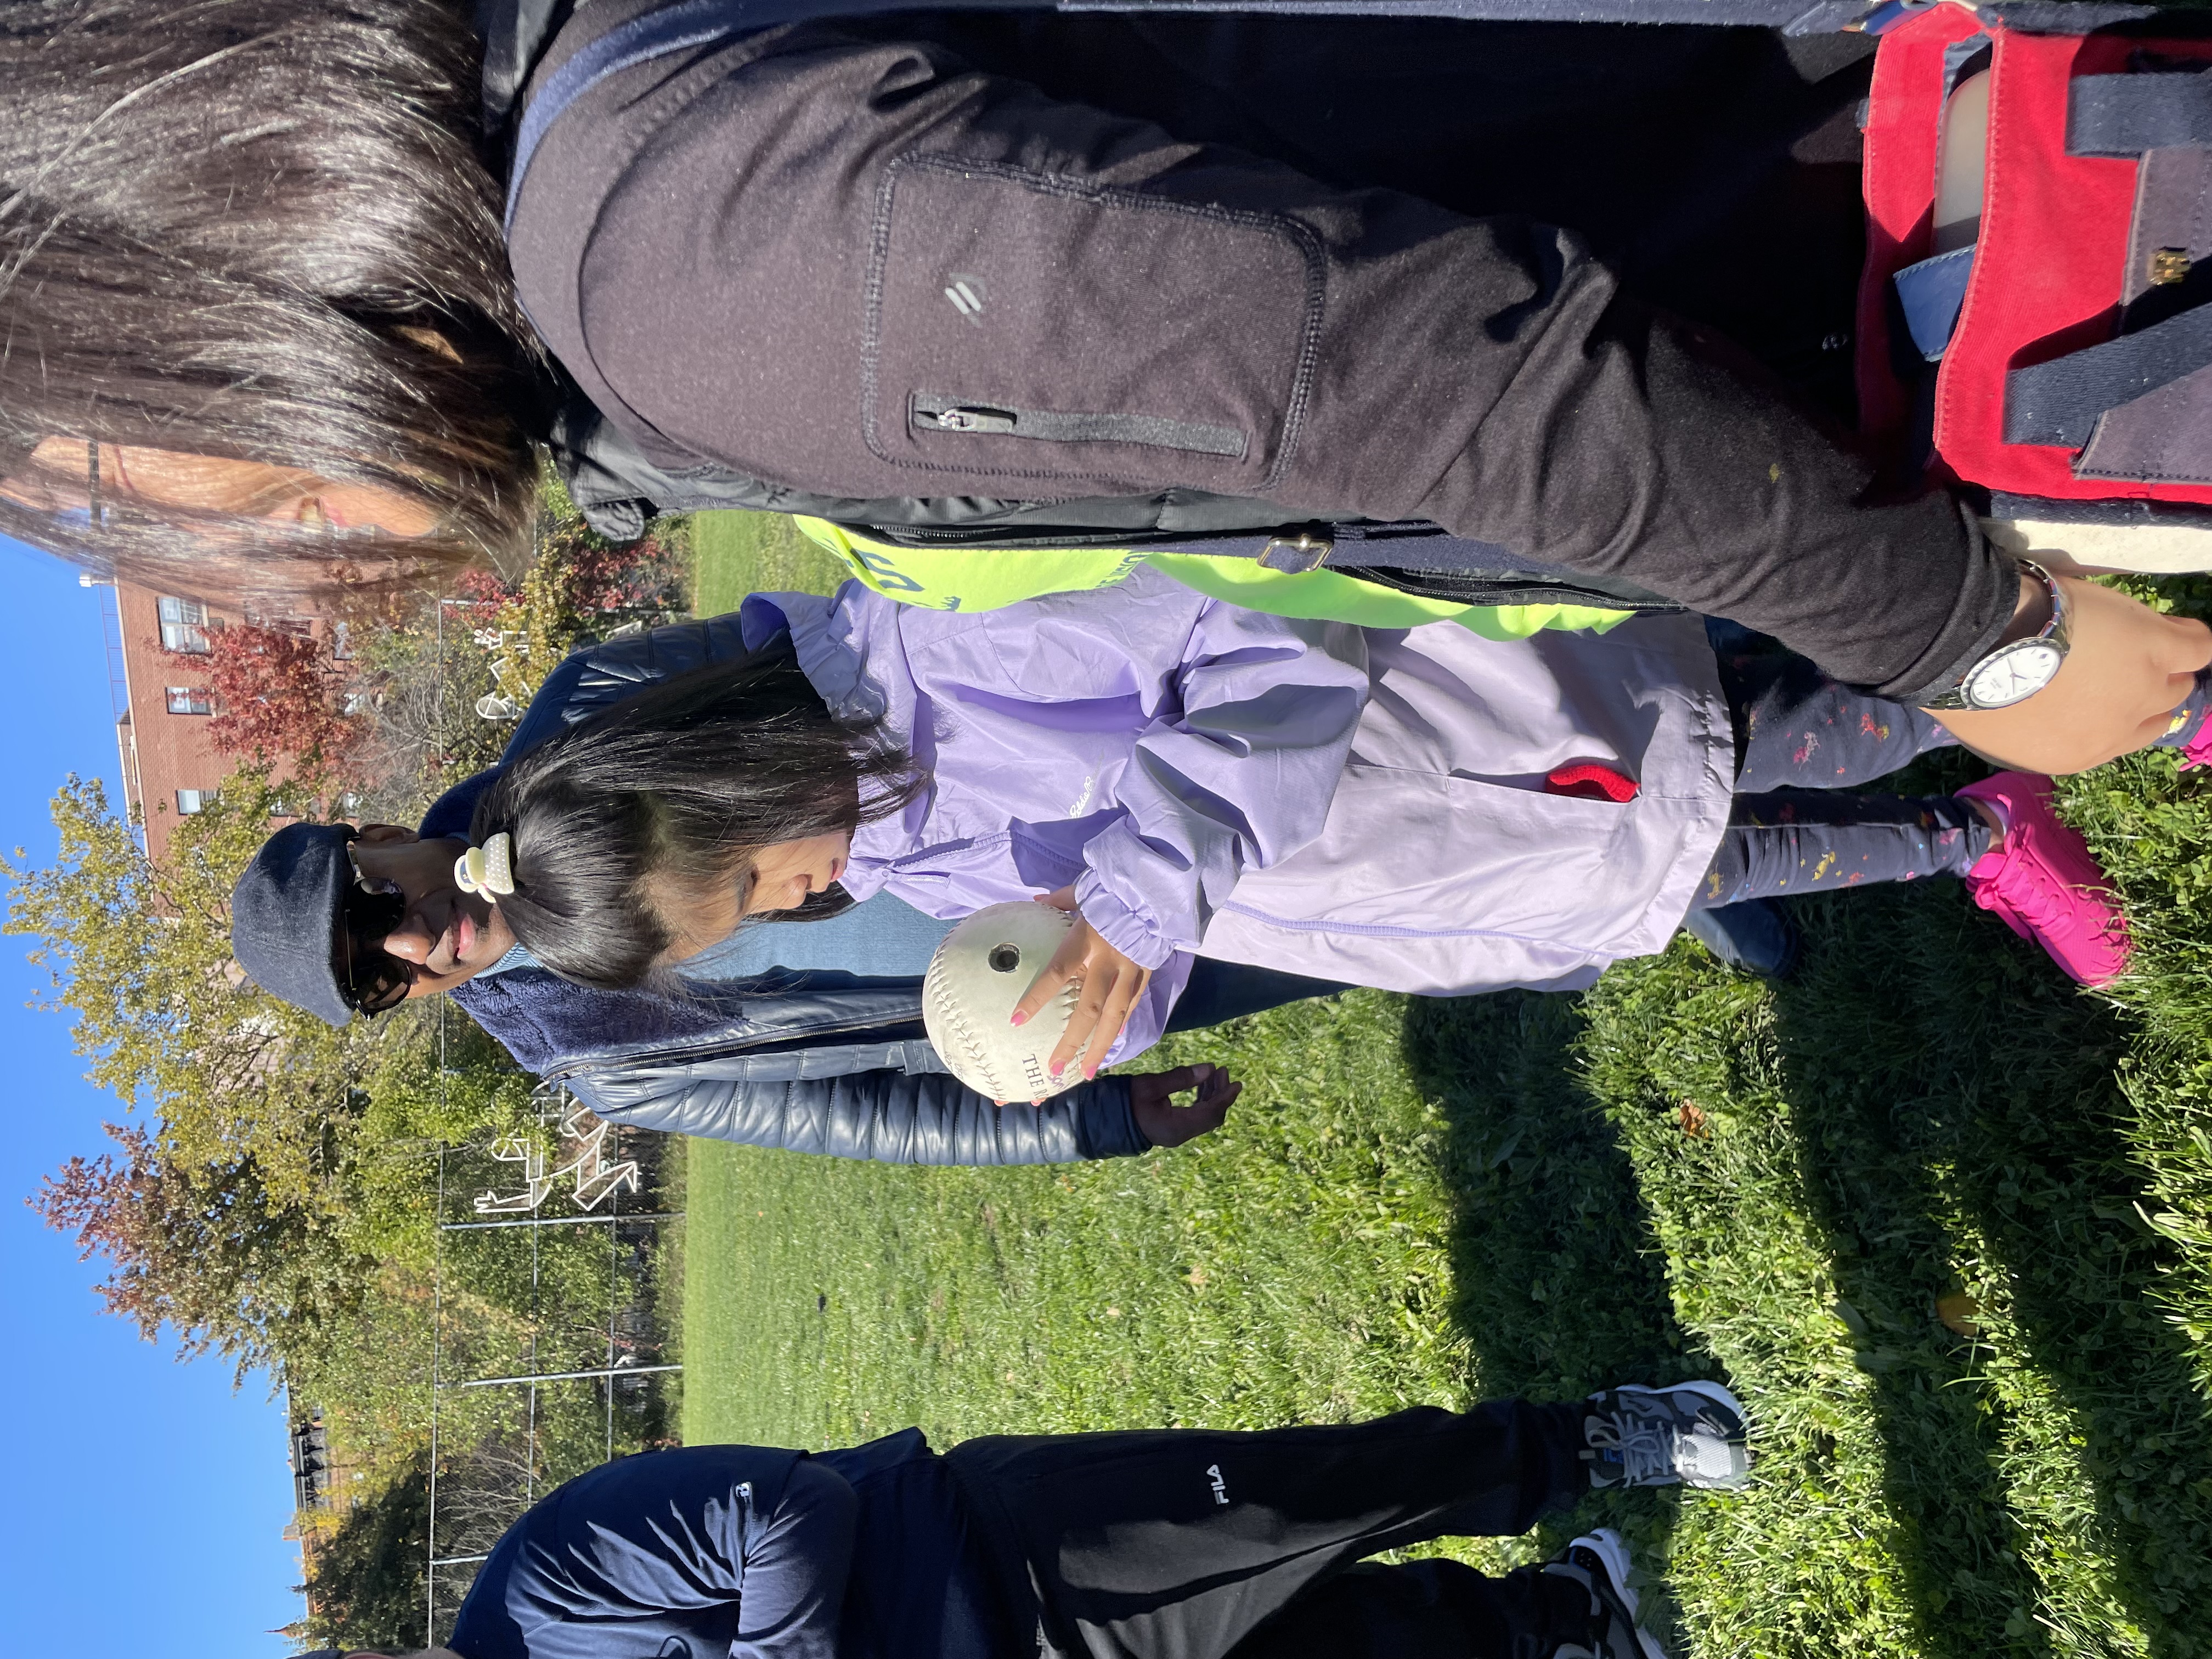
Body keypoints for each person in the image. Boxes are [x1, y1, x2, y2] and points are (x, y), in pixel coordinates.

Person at [2, 0, 2205, 780]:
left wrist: (1972, 638)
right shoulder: (595, 97)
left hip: (1871, 205)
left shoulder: (675, 268)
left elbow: (1414, 370)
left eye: (202, 491)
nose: (291, 556)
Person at [464, 568, 2185, 1085]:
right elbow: (1147, 911)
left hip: (1503, 751)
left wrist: (1134, 894)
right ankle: (1982, 840)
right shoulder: (902, 849)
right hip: (1465, 870)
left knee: (1817, 730)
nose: (801, 900)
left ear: (734, 791)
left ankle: (2146, 693)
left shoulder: (950, 647)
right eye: (758, 924)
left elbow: (1270, 631)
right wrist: (1095, 990)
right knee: (1736, 865)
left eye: (756, 883)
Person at [230, 614, 1349, 1164]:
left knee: (1344, 754)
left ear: (375, 835)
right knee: (1389, 920)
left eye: (372, 906)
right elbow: (853, 1116)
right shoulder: (590, 1054)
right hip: (1088, 996)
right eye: (376, 984)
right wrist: (1088, 1123)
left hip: (1112, 764)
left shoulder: (589, 706)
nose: (411, 947)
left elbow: (850, 656)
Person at [303, 1380, 1755, 1659]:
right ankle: (1564, 1616)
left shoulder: (545, 1584)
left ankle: (1595, 1439)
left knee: (1323, 1496)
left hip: (1001, 1543)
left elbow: (789, 1511)